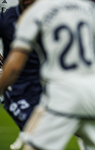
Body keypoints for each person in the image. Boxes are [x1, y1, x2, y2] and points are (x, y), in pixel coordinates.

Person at [0, 0, 95, 149]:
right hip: (93, 91)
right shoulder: (85, 6)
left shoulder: (35, 12)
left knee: (33, 147)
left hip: (64, 91)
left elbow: (14, 67)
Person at [0, 0, 42, 149]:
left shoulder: (48, 15)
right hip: (16, 88)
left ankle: (25, 136)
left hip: (43, 86)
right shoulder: (7, 18)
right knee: (38, 135)